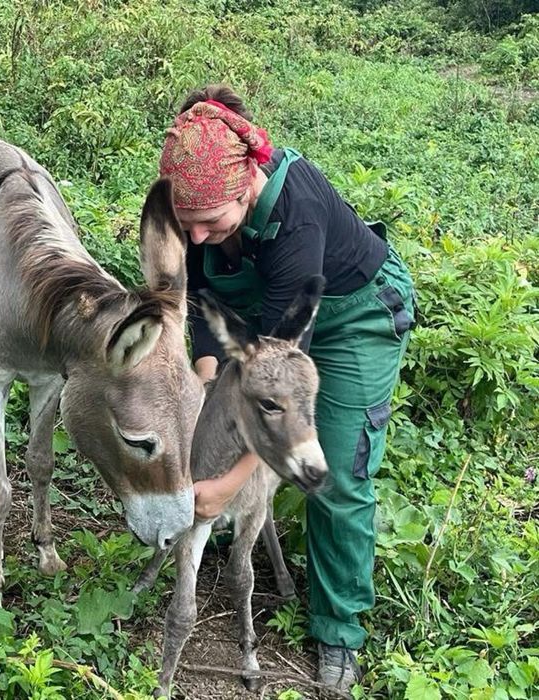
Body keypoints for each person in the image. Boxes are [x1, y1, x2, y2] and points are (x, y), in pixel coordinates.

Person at [156, 84, 416, 690]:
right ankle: (236, 539)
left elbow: (272, 385)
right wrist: (204, 386)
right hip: (267, 320)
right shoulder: (199, 219)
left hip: (354, 315)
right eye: (187, 226)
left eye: (210, 224)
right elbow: (204, 311)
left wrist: (225, 485)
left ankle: (338, 631)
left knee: (334, 473)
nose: (197, 238)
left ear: (246, 185)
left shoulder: (294, 216)